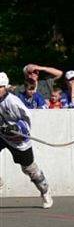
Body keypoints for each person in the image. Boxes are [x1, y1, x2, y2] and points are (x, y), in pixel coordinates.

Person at [0, 72, 53, 208]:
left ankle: (45, 190)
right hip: (2, 136)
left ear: (5, 87)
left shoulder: (12, 102)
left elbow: (27, 120)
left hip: (19, 140)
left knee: (29, 169)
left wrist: (15, 127)